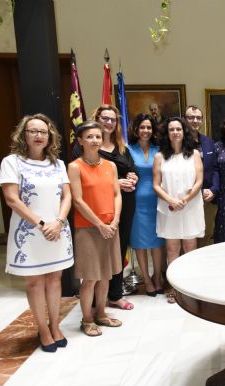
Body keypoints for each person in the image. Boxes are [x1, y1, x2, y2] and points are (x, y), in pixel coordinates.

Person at [0, 114, 73, 352]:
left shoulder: (58, 164)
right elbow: (12, 199)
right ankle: (43, 329)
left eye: (43, 132)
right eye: (33, 131)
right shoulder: (12, 162)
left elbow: (67, 196)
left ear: (50, 136)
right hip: (29, 234)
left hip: (58, 230)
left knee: (54, 279)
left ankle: (55, 326)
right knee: (35, 282)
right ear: (24, 135)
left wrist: (58, 222)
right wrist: (42, 225)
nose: (38, 135)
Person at [68, 121, 123, 337]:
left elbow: (117, 194)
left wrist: (115, 221)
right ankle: (87, 319)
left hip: (111, 227)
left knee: (106, 275)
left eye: (98, 136)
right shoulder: (75, 167)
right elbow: (78, 200)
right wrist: (100, 225)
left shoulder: (110, 166)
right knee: (90, 277)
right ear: (80, 140)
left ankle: (101, 313)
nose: (94, 140)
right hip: (88, 228)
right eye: (89, 137)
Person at [153, 117, 205, 303]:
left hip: (190, 206)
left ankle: (190, 288)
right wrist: (171, 200)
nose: (175, 132)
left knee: (190, 248)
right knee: (172, 249)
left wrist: (184, 200)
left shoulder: (194, 154)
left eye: (178, 129)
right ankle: (174, 287)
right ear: (167, 133)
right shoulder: (160, 157)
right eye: (171, 129)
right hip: (169, 208)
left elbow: (199, 181)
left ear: (184, 132)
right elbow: (156, 184)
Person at [91, 105, 137, 311]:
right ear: (97, 119)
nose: (109, 123)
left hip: (125, 204)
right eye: (105, 118)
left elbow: (132, 169)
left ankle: (115, 295)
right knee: (100, 250)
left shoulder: (121, 147)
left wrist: (133, 176)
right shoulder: (87, 146)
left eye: (113, 119)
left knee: (120, 247)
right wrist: (116, 183)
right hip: (100, 204)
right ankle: (96, 295)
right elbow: (85, 178)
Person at [128, 114, 165, 296]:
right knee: (140, 242)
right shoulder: (127, 149)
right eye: (142, 127)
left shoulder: (159, 150)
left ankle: (157, 276)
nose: (145, 131)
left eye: (149, 127)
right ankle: (147, 279)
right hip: (136, 202)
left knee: (157, 242)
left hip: (157, 199)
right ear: (136, 129)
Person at [184, 105, 219, 247]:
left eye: (198, 118)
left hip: (208, 199)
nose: (195, 121)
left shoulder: (208, 142)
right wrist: (199, 191)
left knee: (207, 236)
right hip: (187, 198)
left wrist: (214, 189)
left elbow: (215, 168)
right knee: (188, 238)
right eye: (191, 117)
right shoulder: (179, 143)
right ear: (184, 120)